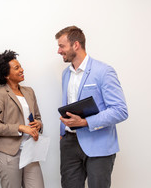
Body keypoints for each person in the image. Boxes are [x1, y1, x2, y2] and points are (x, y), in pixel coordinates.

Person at [55, 26, 128, 188]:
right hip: (69, 144)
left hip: (99, 144)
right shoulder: (66, 74)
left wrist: (85, 122)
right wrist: (63, 135)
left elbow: (120, 110)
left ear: (76, 45)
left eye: (62, 46)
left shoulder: (104, 71)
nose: (59, 51)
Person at [0, 50, 45, 188]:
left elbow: (38, 117)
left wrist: (38, 124)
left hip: (30, 151)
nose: (22, 70)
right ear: (6, 75)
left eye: (20, 66)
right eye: (17, 68)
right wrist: (20, 127)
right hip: (8, 154)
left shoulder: (29, 91)